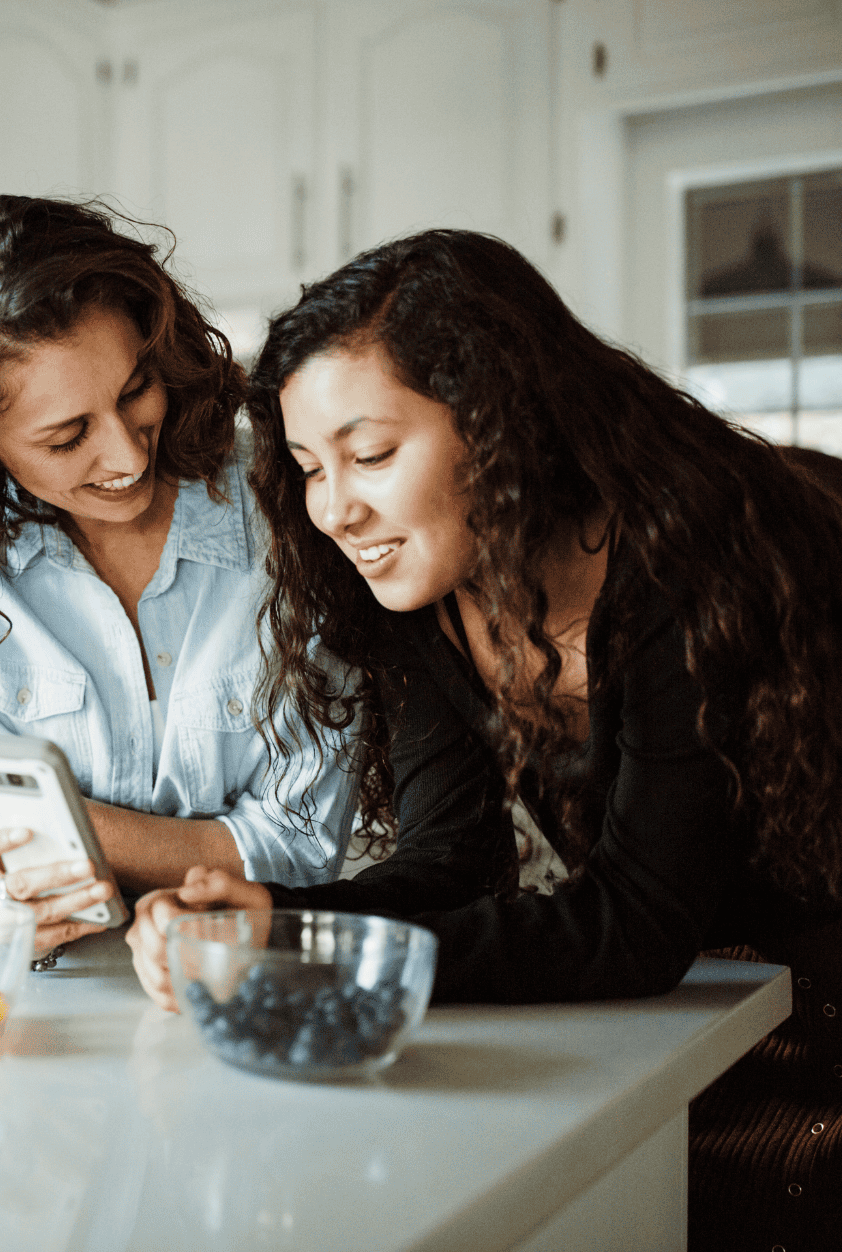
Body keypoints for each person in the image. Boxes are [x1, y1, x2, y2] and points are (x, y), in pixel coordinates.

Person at [125, 229, 842, 1250]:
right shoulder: (426, 598)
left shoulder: (690, 567)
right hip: (701, 1007)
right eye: (304, 467)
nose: (333, 508)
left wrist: (300, 955)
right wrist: (265, 920)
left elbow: (633, 923)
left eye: (370, 453)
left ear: (505, 426)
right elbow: (452, 859)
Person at [0, 195, 358, 958]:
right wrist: (10, 890)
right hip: (62, 990)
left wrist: (71, 827)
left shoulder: (289, 505)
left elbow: (301, 846)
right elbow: (15, 852)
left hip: (258, 975)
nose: (129, 457)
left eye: (136, 389)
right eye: (69, 437)